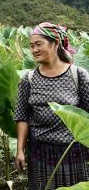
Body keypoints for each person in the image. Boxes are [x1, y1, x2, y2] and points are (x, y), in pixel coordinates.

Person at [14, 22, 89, 189]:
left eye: (38, 44)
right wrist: (20, 150)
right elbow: (22, 116)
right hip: (40, 153)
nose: (34, 50)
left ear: (55, 44)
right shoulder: (29, 78)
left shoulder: (78, 75)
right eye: (31, 46)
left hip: (73, 152)